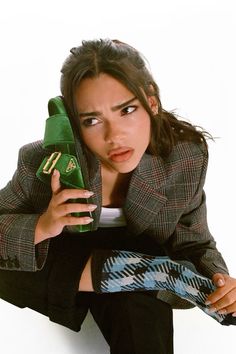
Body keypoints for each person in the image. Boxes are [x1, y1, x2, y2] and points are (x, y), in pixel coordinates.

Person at [0, 38, 235, 354]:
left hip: (138, 258)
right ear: (74, 124)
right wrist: (44, 224)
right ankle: (157, 275)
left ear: (151, 103)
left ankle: (149, 273)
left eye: (127, 110)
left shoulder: (184, 158)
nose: (115, 136)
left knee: (142, 313)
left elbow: (194, 242)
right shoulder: (45, 161)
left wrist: (220, 282)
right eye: (92, 121)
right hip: (60, 259)